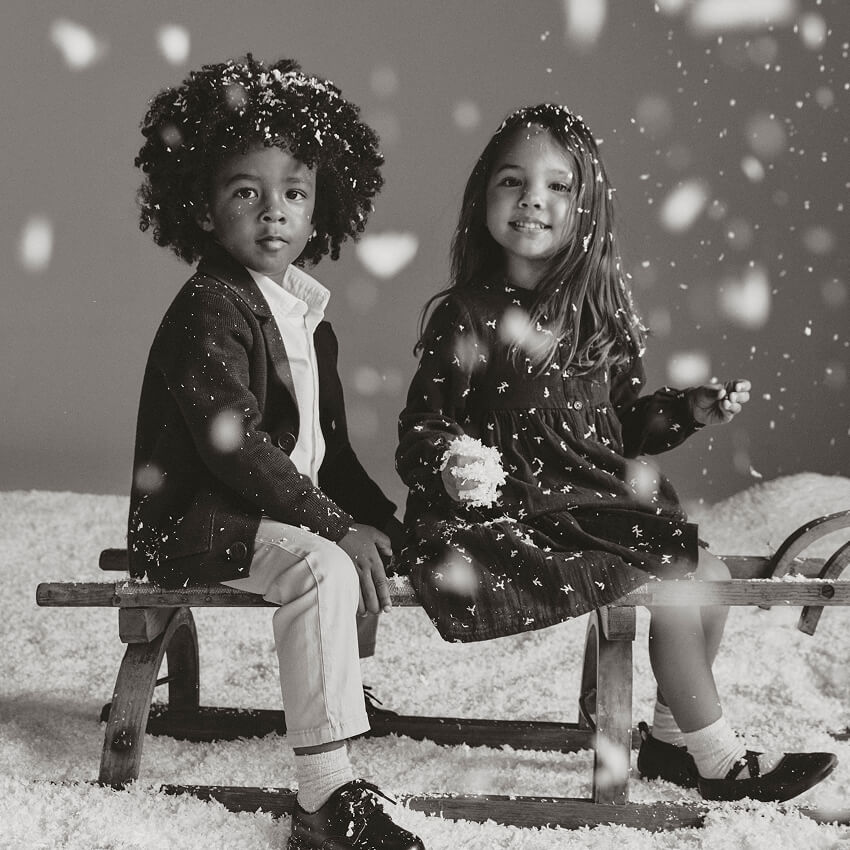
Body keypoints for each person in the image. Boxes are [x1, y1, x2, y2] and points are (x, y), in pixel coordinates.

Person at [395, 103, 837, 803]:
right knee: (682, 576)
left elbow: (620, 430)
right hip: (515, 511)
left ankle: (670, 741)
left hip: (590, 503)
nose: (532, 199)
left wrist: (685, 411)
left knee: (709, 570)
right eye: (512, 181)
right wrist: (452, 461)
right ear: (483, 197)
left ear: (587, 209)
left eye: (557, 186)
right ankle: (720, 759)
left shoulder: (598, 315)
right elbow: (423, 426)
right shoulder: (468, 316)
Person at [129, 55, 423, 850]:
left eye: (294, 193)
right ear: (201, 207)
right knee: (323, 567)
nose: (273, 213)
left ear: (322, 205)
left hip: (270, 517)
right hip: (199, 522)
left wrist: (387, 525)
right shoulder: (208, 307)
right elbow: (236, 449)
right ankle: (327, 794)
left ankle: (335, 704)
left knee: (346, 551)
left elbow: (332, 456)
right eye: (245, 193)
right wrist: (335, 528)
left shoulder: (306, 321)